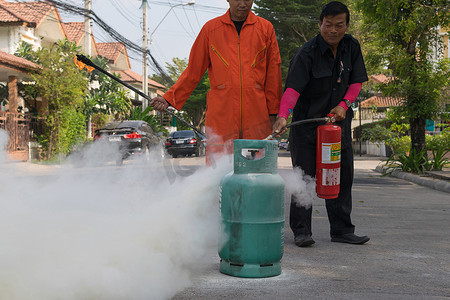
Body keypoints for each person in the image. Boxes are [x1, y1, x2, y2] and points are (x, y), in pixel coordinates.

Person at [272, 1, 369, 247]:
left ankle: (342, 230)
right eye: (328, 25)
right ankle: (302, 231)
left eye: (339, 25)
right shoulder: (307, 53)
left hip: (337, 130)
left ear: (346, 25)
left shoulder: (352, 47)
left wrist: (344, 105)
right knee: (303, 179)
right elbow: (292, 90)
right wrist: (284, 116)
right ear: (320, 24)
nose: (333, 30)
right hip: (307, 129)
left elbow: (356, 82)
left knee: (341, 176)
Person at [150, 0, 282, 163]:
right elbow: (193, 71)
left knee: (256, 172)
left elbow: (273, 74)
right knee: (218, 175)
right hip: (221, 118)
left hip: (257, 117)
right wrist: (169, 98)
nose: (242, 4)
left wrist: (274, 114)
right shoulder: (211, 29)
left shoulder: (265, 28)